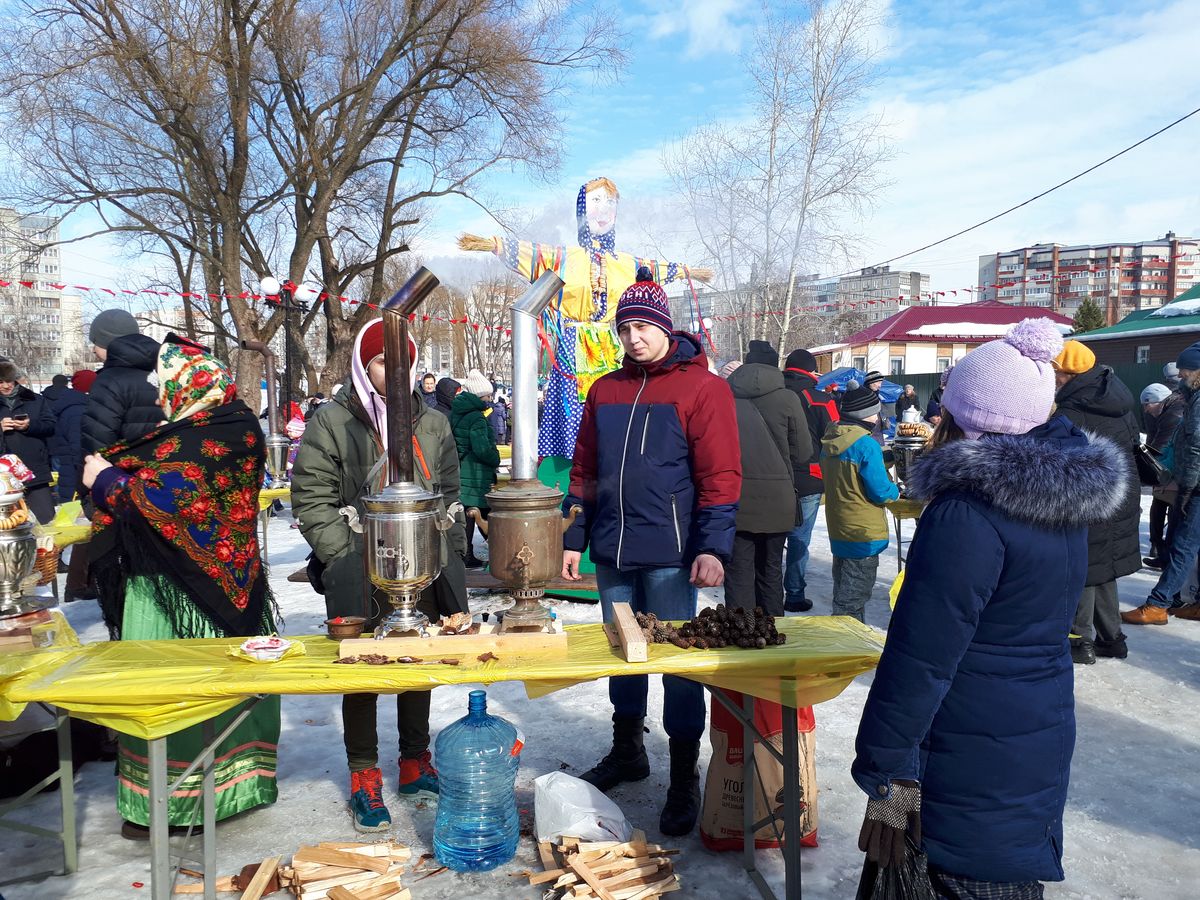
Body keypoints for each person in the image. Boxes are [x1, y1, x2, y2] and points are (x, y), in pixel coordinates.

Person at [853, 318, 1127, 897]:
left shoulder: (967, 514)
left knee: (961, 873)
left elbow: (922, 660)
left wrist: (889, 774)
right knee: (1003, 866)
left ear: (965, 418)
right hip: (1031, 723)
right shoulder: (1059, 501)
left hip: (962, 739)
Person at [561, 268, 740, 836]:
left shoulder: (701, 388)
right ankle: (628, 751)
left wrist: (712, 546)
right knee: (624, 652)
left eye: (643, 325)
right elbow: (584, 470)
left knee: (676, 661)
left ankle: (684, 772)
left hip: (671, 551)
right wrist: (574, 538)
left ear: (665, 327)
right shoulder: (605, 390)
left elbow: (721, 475)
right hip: (612, 548)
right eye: (625, 327)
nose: (634, 336)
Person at [81, 336, 280, 839]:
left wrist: (104, 480)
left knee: (183, 692)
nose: (164, 399)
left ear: (190, 386)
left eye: (168, 388)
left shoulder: (227, 430)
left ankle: (199, 799)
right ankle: (188, 797)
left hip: (188, 597)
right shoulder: (200, 427)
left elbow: (163, 502)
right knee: (174, 693)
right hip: (187, 580)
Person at [291, 319, 470, 832]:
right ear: (364, 366)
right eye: (383, 362)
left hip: (426, 562)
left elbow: (450, 490)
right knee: (363, 671)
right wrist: (343, 554)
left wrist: (451, 557)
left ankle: (415, 761)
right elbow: (311, 493)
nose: (395, 373)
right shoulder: (334, 420)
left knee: (418, 660)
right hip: (359, 565)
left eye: (404, 363)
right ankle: (363, 774)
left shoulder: (431, 422)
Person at [1050, 341, 1140, 660]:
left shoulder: (1071, 408)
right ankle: (1113, 638)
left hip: (1090, 498)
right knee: (1104, 568)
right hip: (1121, 492)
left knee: (1084, 567)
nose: (1051, 377)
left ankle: (1080, 641)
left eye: (1055, 370)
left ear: (1068, 372)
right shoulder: (1117, 398)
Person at [724, 343, 808, 617]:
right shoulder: (788, 398)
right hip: (778, 500)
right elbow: (803, 452)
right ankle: (773, 639)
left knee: (738, 571)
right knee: (770, 570)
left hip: (735, 498)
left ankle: (740, 637)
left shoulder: (724, 395)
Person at [1125, 343, 1200, 624]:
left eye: (1184, 373)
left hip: (1196, 486)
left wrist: (1187, 488)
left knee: (1183, 544)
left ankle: (1158, 605)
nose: (1180, 378)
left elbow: (1195, 447)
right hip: (1194, 482)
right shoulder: (1193, 398)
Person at [820, 386, 899, 622]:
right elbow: (880, 492)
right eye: (875, 412)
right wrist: (895, 491)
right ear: (865, 415)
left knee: (843, 593)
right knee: (850, 606)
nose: (878, 418)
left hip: (840, 528)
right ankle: (844, 651)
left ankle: (843, 646)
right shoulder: (866, 446)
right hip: (863, 532)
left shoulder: (831, 439)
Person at [782, 348, 839, 613]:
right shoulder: (819, 398)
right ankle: (794, 594)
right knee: (799, 539)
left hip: (772, 475)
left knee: (769, 537)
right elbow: (834, 434)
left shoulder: (772, 394)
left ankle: (765, 594)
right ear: (811, 370)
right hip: (809, 476)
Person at [81, 309, 162, 454]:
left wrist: (89, 471)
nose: (93, 349)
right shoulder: (167, 370)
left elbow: (97, 441)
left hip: (123, 471)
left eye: (95, 342)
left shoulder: (109, 380)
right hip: (169, 467)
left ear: (106, 342)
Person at [452, 370, 501, 569]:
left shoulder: (457, 413)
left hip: (462, 470)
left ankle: (465, 554)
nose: (490, 399)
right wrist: (495, 458)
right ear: (480, 395)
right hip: (476, 473)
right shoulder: (477, 418)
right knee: (485, 515)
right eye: (488, 395)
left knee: (468, 516)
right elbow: (482, 448)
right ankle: (501, 552)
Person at [0, 361, 57, 525]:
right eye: (0, 382)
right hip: (3, 474)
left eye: (9, 381)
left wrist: (29, 425)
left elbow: (51, 425)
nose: (6, 386)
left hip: (34, 468)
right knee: (8, 526)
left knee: (46, 520)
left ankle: (48, 550)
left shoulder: (34, 399)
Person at [1141, 382, 1184, 569]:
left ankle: (1166, 556)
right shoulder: (1167, 411)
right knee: (1159, 507)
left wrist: (1153, 468)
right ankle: (1161, 551)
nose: (1145, 410)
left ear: (1158, 401)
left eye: (1147, 405)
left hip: (1175, 474)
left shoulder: (1174, 414)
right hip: (1169, 470)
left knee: (1172, 514)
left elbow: (1168, 448)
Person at [50, 369, 95, 505]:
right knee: (77, 517)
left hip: (70, 472)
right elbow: (77, 447)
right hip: (76, 474)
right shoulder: (77, 410)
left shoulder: (73, 405)